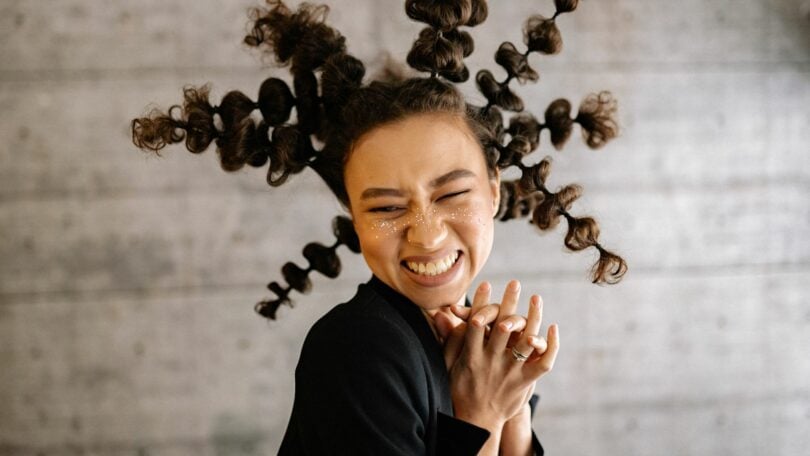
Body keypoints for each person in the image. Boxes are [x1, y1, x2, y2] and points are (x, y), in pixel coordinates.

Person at [131, 1, 627, 454]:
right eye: (386, 209)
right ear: (354, 216)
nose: (426, 234)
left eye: (452, 194)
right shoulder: (358, 348)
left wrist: (513, 399)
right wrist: (482, 413)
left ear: (494, 189)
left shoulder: (466, 347)